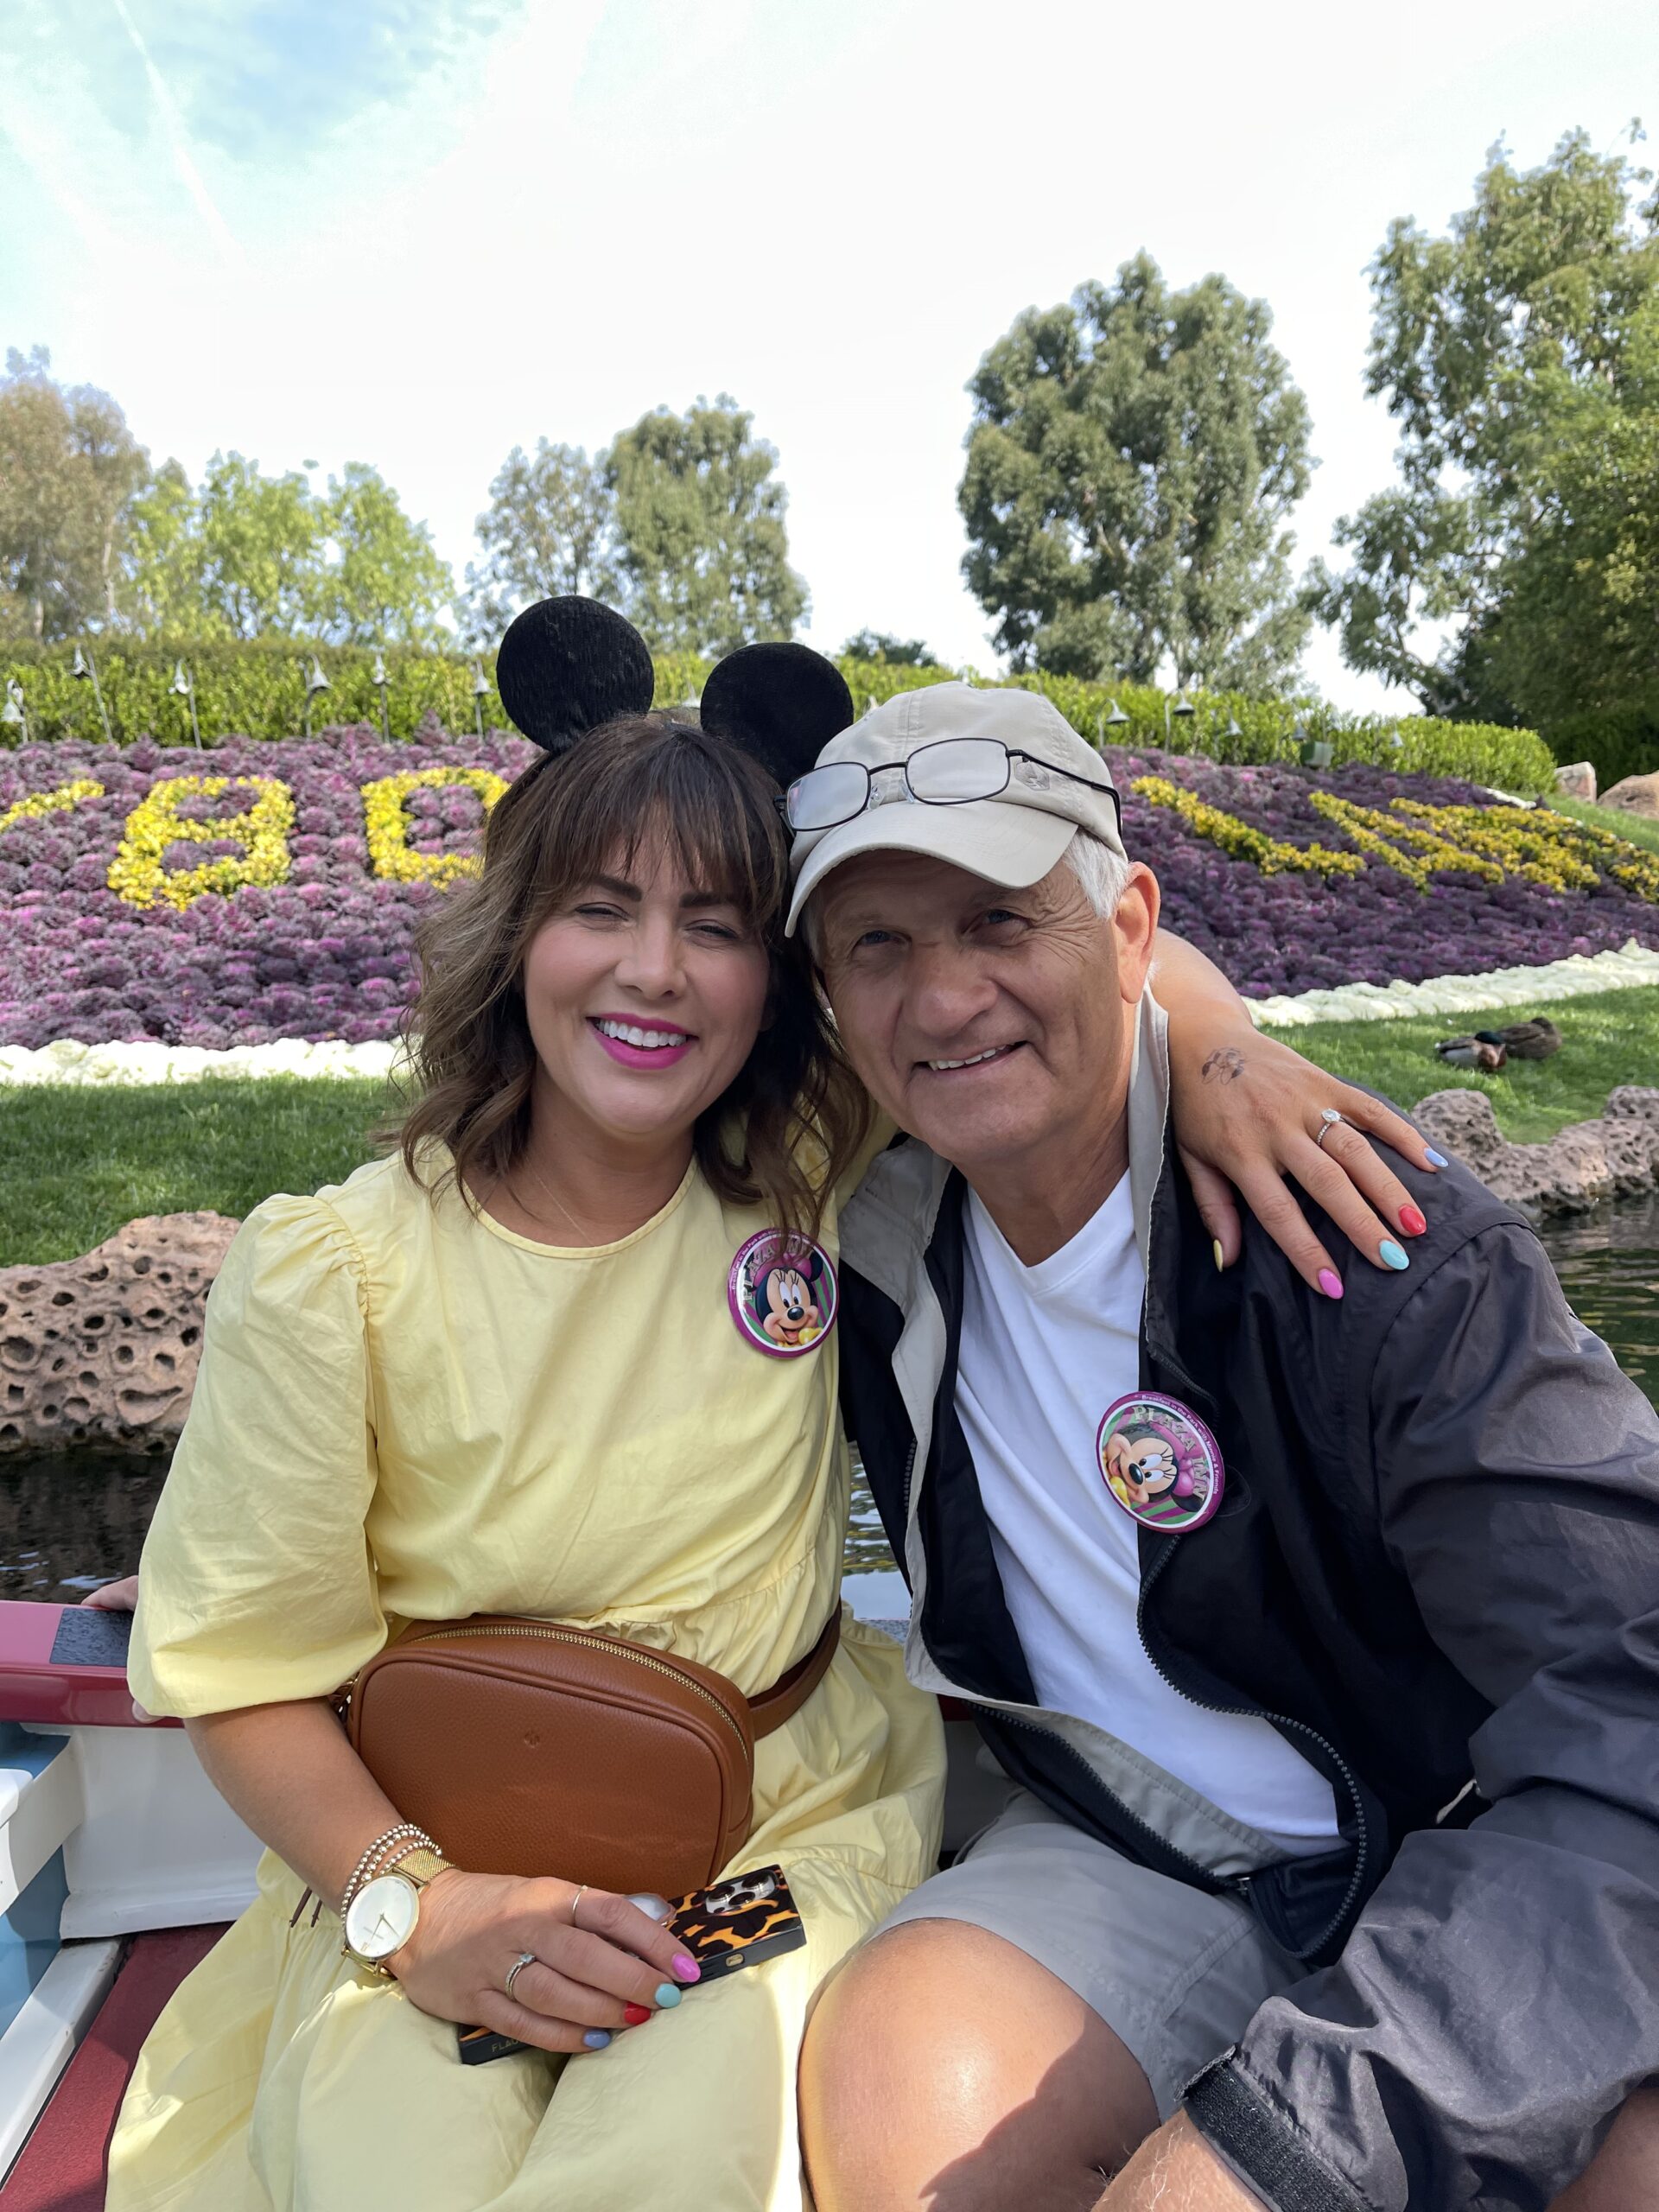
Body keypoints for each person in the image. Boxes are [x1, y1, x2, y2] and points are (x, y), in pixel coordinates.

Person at [102, 607, 1421, 2212]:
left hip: (763, 1849)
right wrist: (426, 1916)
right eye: (601, 909)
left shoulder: (803, 1168)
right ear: (519, 934)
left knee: (679, 2155)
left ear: (774, 981)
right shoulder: (335, 1273)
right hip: (441, 1857)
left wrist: (1215, 1054)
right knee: (394, 2169)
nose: (654, 972)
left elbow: (1105, 949)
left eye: (718, 925)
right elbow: (244, 1671)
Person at [791, 680, 1659, 2212]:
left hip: (1470, 1853)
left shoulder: (1382, 1254)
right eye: (878, 946)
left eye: (1001, 921)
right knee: (897, 2076)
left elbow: (1631, 1718)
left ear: (1128, 929)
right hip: (1157, 1858)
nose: (940, 999)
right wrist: (1212, 1032)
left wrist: (1287, 2140)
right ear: (828, 1000)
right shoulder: (865, 1238)